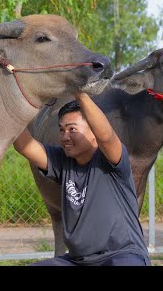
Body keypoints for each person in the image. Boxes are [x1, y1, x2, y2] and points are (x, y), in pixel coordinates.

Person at [13, 92, 150, 266]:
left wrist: (80, 94)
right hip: (77, 261)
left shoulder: (111, 160)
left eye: (72, 129)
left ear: (93, 132)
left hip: (121, 256)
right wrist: (6, 104)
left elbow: (107, 136)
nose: (64, 137)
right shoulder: (62, 161)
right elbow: (25, 146)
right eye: (62, 130)